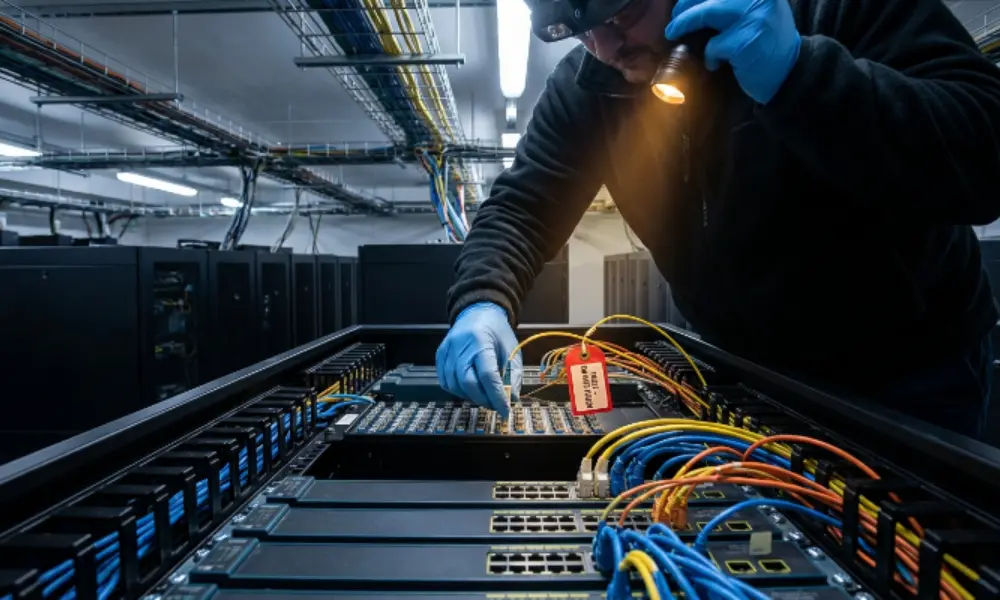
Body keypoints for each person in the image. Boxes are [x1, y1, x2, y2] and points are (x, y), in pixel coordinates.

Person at [435, 0, 1000, 439]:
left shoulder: (833, 8)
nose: (606, 48)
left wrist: (801, 75)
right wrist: (482, 302)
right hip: (748, 376)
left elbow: (983, 153)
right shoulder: (589, 87)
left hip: (910, 378)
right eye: (583, 30)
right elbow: (522, 205)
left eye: (622, 14)